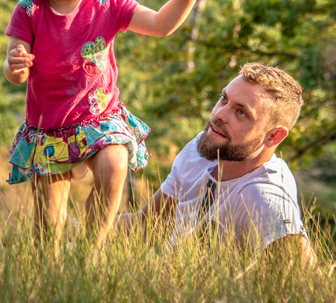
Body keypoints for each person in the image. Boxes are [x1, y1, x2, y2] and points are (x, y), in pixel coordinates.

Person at [3, 0, 216, 248]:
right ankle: (49, 274)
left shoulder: (107, 1)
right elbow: (14, 70)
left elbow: (160, 25)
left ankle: (91, 250)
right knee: (47, 227)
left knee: (115, 163)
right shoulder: (29, 9)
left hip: (100, 116)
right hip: (49, 126)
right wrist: (16, 65)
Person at [122, 63, 315, 265]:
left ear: (274, 136)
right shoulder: (201, 149)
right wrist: (87, 229)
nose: (219, 114)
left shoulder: (266, 200)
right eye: (224, 99)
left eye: (241, 112)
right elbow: (144, 226)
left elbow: (306, 288)